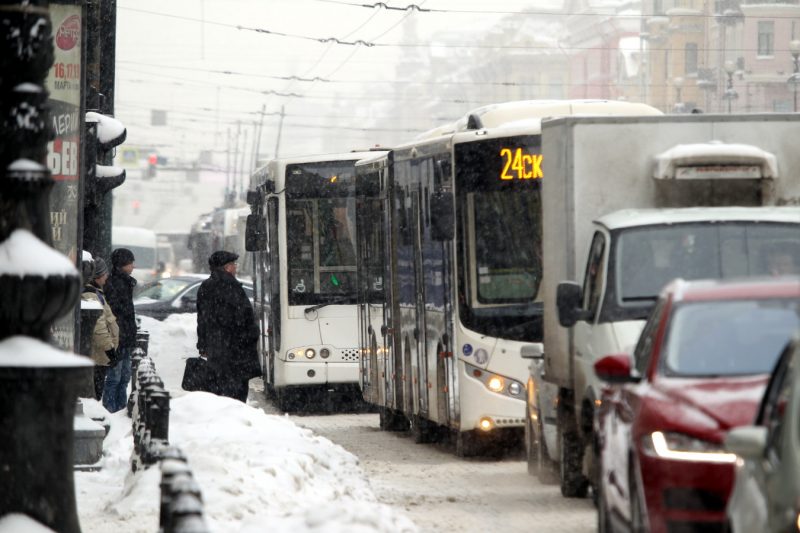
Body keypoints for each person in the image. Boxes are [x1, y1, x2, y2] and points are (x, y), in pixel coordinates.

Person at [196, 250, 260, 402]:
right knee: (236, 389)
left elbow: (202, 318)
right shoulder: (232, 287)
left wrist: (203, 344)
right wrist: (251, 335)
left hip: (216, 346)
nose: (235, 267)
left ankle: (224, 415)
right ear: (226, 267)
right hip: (236, 348)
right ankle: (234, 417)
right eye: (233, 264)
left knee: (219, 387)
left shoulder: (205, 286)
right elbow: (243, 316)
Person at [80, 257, 120, 400]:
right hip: (97, 355)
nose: (107, 276)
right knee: (95, 395)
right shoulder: (90, 295)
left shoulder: (96, 293)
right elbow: (99, 327)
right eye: (105, 273)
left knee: (97, 392)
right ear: (98, 275)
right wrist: (110, 350)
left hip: (99, 355)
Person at [103, 248, 137, 412]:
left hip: (124, 335)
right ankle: (112, 410)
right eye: (130, 263)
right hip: (119, 336)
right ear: (122, 264)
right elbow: (117, 312)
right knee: (116, 377)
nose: (133, 266)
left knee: (123, 376)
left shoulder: (125, 282)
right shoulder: (115, 283)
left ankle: (120, 408)